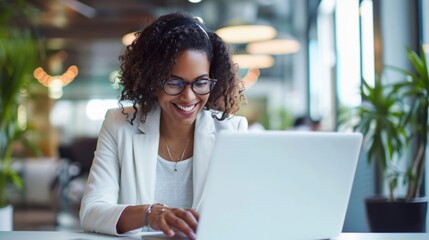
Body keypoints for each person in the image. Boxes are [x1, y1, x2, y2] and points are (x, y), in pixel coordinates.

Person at [79, 12, 248, 239]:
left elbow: (242, 218)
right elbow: (91, 211)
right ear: (152, 79)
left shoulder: (233, 132)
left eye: (200, 83)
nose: (188, 96)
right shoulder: (119, 124)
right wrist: (151, 214)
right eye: (174, 82)